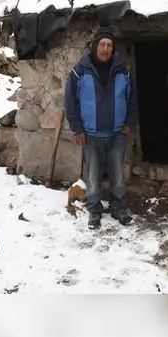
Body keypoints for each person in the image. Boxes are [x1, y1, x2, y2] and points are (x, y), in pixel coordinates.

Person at [63, 27, 138, 230]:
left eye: (109, 45)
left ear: (113, 49)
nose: (105, 48)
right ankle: (94, 210)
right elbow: (70, 101)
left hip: (116, 133)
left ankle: (118, 207)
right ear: (95, 46)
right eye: (102, 44)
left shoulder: (123, 70)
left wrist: (129, 123)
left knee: (117, 174)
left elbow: (132, 99)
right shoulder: (80, 71)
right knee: (93, 175)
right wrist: (77, 128)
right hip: (91, 134)